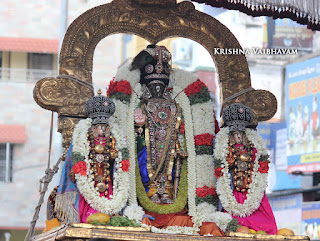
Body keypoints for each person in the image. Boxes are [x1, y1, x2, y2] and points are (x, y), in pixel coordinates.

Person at [108, 45, 234, 235]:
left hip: (173, 154)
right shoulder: (138, 102)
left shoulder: (178, 103)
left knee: (172, 172)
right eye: (152, 82)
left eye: (162, 80)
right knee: (144, 164)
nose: (157, 86)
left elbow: (188, 129)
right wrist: (138, 127)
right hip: (145, 151)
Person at [54, 90, 130, 223]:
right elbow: (78, 160)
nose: (101, 130)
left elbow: (118, 161)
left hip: (108, 181)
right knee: (89, 207)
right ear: (93, 128)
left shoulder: (113, 139)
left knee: (110, 206)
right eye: (98, 127)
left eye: (104, 127)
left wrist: (113, 155)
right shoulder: (84, 139)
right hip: (90, 182)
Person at [214, 103, 278, 234]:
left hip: (251, 189)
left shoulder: (253, 148)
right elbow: (222, 168)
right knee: (233, 220)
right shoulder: (226, 149)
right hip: (234, 190)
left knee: (264, 224)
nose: (238, 137)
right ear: (231, 135)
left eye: (240, 134)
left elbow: (260, 163)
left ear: (245, 135)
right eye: (235, 134)